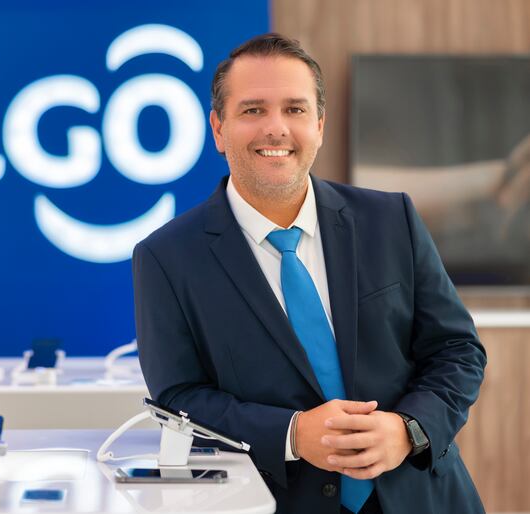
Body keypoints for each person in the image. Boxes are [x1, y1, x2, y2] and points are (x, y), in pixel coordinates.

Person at [132, 33, 486, 514]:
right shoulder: (166, 257)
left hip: (423, 498)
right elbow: (178, 397)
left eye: (295, 109)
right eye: (253, 110)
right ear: (218, 128)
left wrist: (408, 430)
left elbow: (457, 349)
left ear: (319, 125)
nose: (276, 128)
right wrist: (292, 434)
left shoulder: (392, 220)